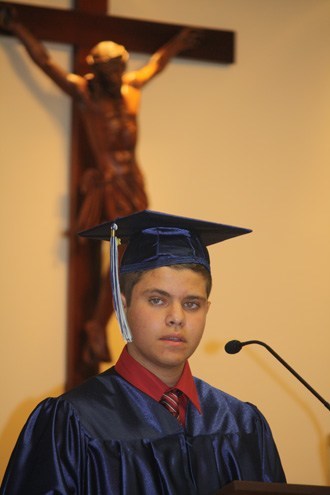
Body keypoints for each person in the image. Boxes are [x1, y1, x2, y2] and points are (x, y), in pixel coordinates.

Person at [1, 210, 286, 494]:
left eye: (192, 304)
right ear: (122, 305)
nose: (177, 317)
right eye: (157, 300)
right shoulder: (71, 424)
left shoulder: (242, 425)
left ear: (206, 310)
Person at [0, 4, 198, 366]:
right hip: (108, 185)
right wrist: (20, 29)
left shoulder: (133, 87)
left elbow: (156, 63)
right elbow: (45, 62)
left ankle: (99, 322)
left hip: (133, 183)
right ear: (97, 69)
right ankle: (96, 324)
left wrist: (177, 44)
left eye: (120, 67)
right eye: (109, 70)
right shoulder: (86, 96)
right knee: (122, 259)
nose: (116, 75)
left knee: (130, 257)